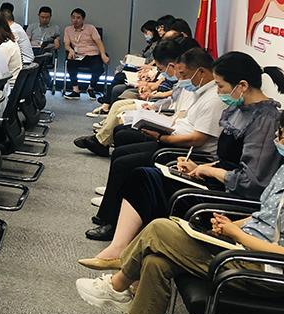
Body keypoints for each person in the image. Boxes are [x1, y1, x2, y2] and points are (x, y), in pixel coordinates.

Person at [75, 120, 284, 314]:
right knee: (156, 263)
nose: (276, 138)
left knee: (159, 229)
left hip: (261, 268)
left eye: (281, 134)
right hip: (241, 245)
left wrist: (238, 234)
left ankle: (117, 284)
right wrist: (230, 225)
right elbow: (264, 215)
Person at [84, 51, 284, 263]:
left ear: (242, 86)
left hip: (234, 195)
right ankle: (120, 249)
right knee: (143, 176)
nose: (218, 92)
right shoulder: (241, 109)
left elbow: (251, 182)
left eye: (220, 86)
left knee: (147, 180)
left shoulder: (265, 120)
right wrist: (197, 166)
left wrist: (210, 171)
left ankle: (124, 255)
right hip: (219, 180)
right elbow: (229, 158)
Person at [79, 48, 226, 254]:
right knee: (121, 150)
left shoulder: (213, 98)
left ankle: (111, 222)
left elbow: (198, 139)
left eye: (184, 74)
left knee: (125, 162)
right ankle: (109, 210)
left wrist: (161, 137)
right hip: (174, 139)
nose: (181, 79)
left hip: (183, 150)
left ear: (201, 72)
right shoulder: (201, 91)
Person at [76, 40, 186, 156]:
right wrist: (153, 101)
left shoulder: (184, 80)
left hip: (165, 111)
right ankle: (101, 140)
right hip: (159, 104)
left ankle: (100, 141)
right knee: (118, 105)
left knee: (122, 110)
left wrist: (154, 103)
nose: (160, 72)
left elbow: (174, 102)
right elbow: (171, 97)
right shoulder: (178, 76)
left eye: (160, 69)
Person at [63, 8, 109, 100]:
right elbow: (66, 45)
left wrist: (103, 54)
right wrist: (70, 50)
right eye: (73, 17)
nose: (75, 20)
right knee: (70, 64)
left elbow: (99, 42)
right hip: (77, 55)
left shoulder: (90, 28)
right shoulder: (68, 29)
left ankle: (91, 88)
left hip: (92, 54)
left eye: (78, 18)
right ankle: (76, 91)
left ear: (83, 19)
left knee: (99, 68)